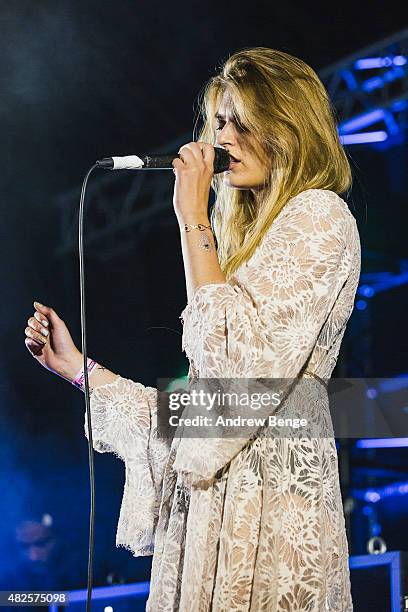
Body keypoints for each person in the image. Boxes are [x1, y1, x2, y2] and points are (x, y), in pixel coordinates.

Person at [25, 47, 360, 611]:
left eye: (240, 120)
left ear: (286, 125)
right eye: (218, 121)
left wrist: (192, 216)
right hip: (215, 517)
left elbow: (239, 372)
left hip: (271, 518)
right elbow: (199, 420)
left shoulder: (320, 215)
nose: (222, 137)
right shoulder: (238, 261)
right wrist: (77, 368)